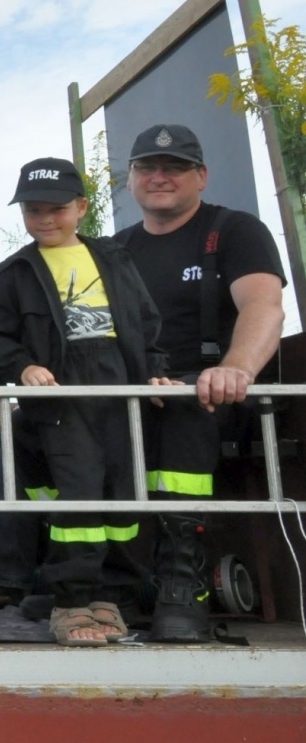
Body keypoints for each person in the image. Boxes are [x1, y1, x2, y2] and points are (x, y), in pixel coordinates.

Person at [0, 157, 175, 646]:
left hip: (119, 388)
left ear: (82, 207)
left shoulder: (115, 257)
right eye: (33, 211)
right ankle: (71, 602)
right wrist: (23, 367)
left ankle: (112, 599)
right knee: (80, 493)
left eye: (57, 209)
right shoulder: (12, 271)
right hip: (60, 397)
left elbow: (145, 322)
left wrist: (154, 374)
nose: (45, 219)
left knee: (123, 491)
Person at [114, 124, 287, 642]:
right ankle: (86, 585)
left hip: (211, 393)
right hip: (130, 394)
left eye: (175, 168)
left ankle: (180, 584)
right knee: (47, 426)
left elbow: (265, 307)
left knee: (190, 406)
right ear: (131, 180)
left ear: (202, 177)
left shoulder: (234, 231)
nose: (160, 177)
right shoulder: (114, 250)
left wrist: (234, 368)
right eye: (148, 167)